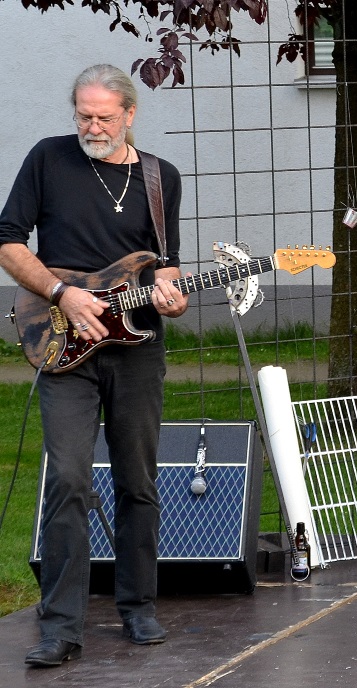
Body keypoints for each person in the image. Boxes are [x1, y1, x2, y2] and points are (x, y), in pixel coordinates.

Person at [0, 64, 188, 667]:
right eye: (84, 115)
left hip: (136, 349)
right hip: (63, 344)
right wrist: (62, 294)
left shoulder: (160, 177)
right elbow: (8, 242)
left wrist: (173, 296)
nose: (93, 127)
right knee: (67, 480)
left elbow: (165, 265)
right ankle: (60, 627)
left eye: (105, 117)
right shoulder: (48, 159)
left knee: (138, 481)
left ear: (130, 114)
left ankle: (139, 607)